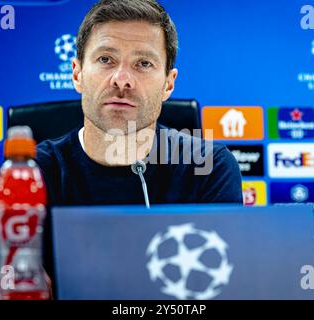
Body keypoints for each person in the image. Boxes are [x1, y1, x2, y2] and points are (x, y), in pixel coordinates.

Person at [35, 0, 243, 207]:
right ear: (77, 74)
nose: (122, 79)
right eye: (106, 59)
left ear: (168, 84)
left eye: (143, 63)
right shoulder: (33, 174)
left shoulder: (209, 168)